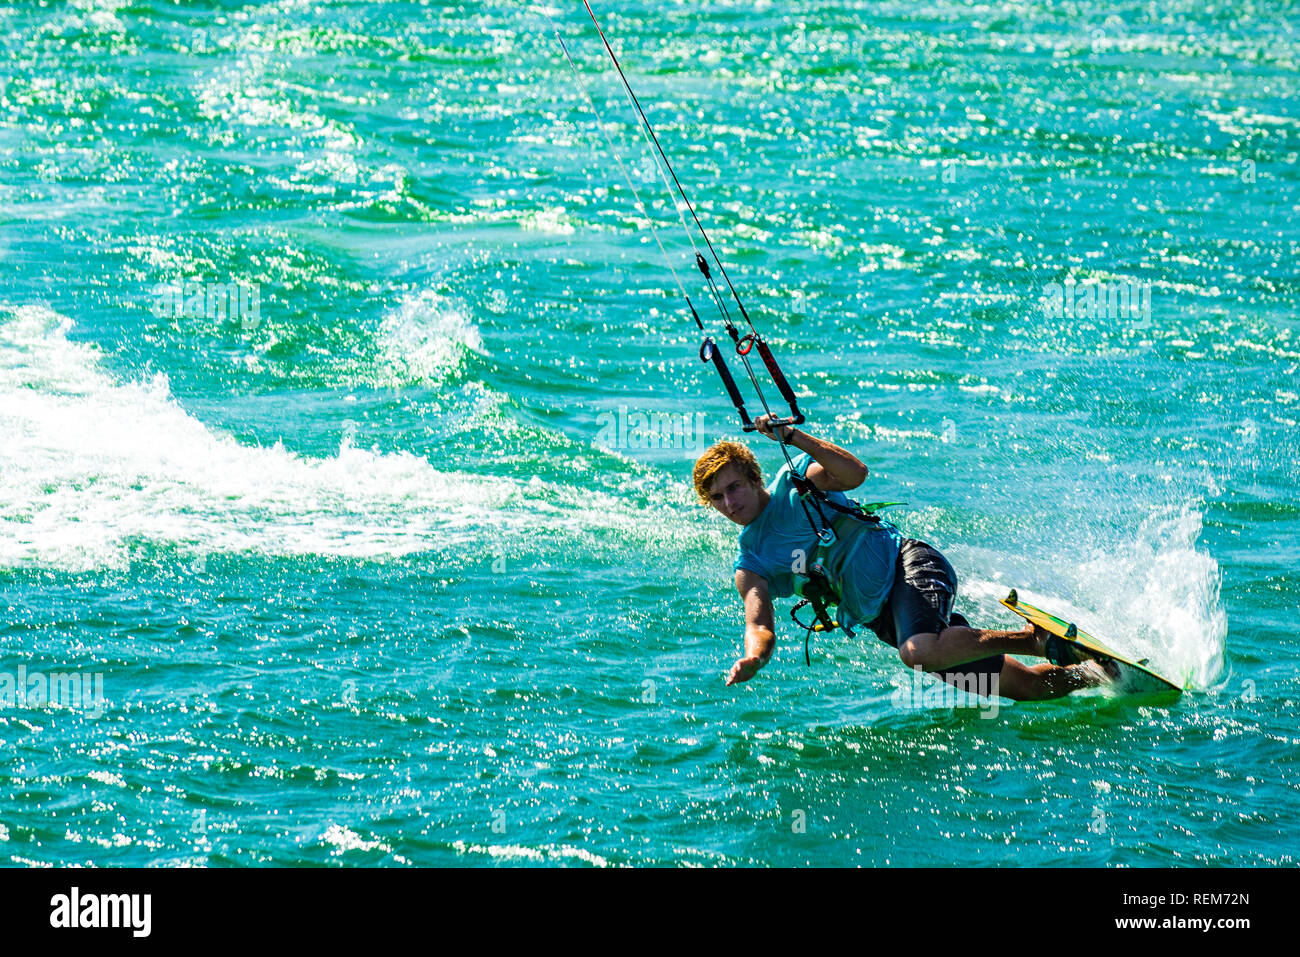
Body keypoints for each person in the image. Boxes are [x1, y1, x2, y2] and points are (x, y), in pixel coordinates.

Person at [693, 415, 1115, 701]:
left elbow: (855, 474)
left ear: (754, 477)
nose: (729, 503)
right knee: (1023, 687)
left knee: (918, 651)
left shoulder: (798, 480)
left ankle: (1036, 639)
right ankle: (1100, 674)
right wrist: (754, 657)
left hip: (909, 566)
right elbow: (759, 623)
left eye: (734, 488)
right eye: (717, 498)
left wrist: (794, 438)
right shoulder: (751, 562)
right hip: (883, 617)